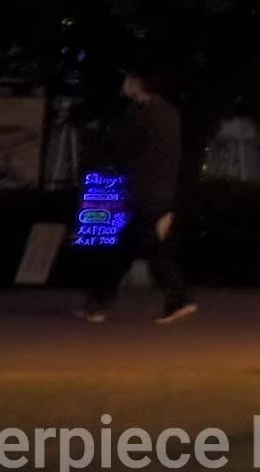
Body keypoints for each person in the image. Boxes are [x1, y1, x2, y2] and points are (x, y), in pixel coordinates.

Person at [82, 70, 193, 325]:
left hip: (142, 189)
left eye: (129, 80)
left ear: (139, 85)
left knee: (149, 245)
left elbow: (119, 149)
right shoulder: (169, 112)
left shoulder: (137, 115)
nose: (125, 84)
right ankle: (98, 301)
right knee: (128, 245)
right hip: (162, 189)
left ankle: (179, 297)